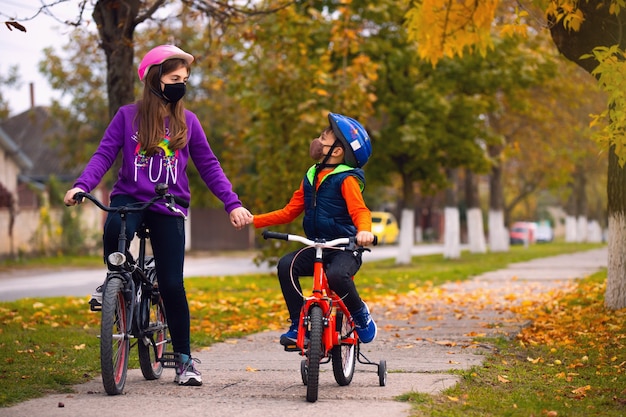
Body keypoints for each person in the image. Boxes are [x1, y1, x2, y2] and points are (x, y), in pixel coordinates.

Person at [63, 44, 253, 386]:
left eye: (185, 78)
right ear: (155, 79)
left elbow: (209, 166)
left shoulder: (188, 122)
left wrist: (232, 203)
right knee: (112, 229)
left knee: (170, 284)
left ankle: (183, 359)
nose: (181, 84)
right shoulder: (126, 116)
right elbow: (104, 155)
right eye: (174, 77)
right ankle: (116, 282)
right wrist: (82, 185)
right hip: (129, 199)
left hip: (169, 204)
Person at [251, 112, 377, 345]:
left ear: (337, 151)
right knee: (286, 265)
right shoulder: (311, 175)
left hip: (344, 247)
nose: (317, 142)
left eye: (323, 138)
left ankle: (360, 314)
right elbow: (290, 211)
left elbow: (361, 211)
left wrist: (364, 231)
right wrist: (254, 220)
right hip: (318, 244)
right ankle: (299, 324)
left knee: (337, 275)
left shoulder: (346, 180)